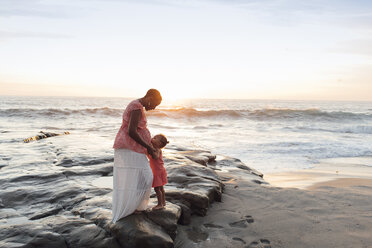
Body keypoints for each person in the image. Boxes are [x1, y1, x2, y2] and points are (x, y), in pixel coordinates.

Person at [112, 89, 162, 223]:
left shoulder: (138, 106)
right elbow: (131, 131)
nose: (154, 108)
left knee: (139, 178)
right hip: (129, 147)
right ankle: (131, 207)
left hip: (134, 148)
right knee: (146, 176)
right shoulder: (136, 106)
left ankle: (135, 207)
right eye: (155, 104)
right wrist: (148, 146)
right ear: (150, 97)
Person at [148, 134, 169, 210]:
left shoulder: (157, 149)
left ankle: (160, 204)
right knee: (161, 188)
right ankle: (163, 202)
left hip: (157, 171)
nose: (152, 138)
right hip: (160, 169)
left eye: (155, 138)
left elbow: (155, 157)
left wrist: (150, 148)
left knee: (157, 189)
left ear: (159, 143)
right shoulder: (156, 149)